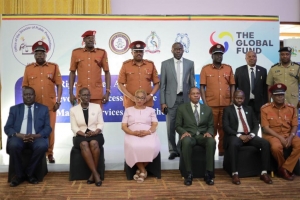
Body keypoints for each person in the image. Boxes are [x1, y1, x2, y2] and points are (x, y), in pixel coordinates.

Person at [22, 41, 62, 163]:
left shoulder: (53, 67)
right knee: (35, 129)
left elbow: (59, 85)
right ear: (34, 55)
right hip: (35, 106)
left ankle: (50, 153)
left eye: (42, 53)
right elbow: (24, 86)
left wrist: (58, 101)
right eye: (37, 53)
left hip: (50, 105)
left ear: (45, 55)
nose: (40, 55)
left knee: (50, 130)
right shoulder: (28, 69)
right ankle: (38, 153)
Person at [4, 87, 52, 187]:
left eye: (30, 94)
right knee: (13, 144)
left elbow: (48, 128)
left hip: (36, 137)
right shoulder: (14, 109)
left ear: (35, 96)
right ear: (22, 96)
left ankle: (29, 173)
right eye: (26, 94)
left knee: (42, 145)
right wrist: (18, 135)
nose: (28, 96)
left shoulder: (43, 109)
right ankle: (19, 175)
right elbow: (7, 127)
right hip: (19, 137)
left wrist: (36, 136)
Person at [222, 90, 272, 185]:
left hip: (249, 135)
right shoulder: (228, 110)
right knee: (233, 144)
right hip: (235, 135)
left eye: (241, 98)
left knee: (265, 143)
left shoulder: (249, 108)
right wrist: (239, 135)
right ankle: (235, 173)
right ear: (233, 98)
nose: (239, 100)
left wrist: (252, 134)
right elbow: (226, 126)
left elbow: (256, 123)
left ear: (244, 99)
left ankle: (264, 172)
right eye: (237, 98)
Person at [160, 42, 195, 160]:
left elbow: (192, 83)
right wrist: (163, 102)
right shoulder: (165, 64)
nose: (178, 51)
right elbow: (163, 85)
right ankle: (172, 150)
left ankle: (181, 148)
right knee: (171, 126)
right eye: (176, 49)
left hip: (185, 99)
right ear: (172, 50)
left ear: (183, 50)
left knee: (184, 125)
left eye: (180, 49)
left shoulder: (190, 63)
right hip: (171, 100)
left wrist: (192, 99)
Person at [200, 44, 235, 156]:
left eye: (221, 54)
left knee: (224, 129)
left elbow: (232, 85)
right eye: (217, 55)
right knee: (211, 128)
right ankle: (210, 150)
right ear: (212, 56)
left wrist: (232, 101)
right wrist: (205, 103)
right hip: (211, 105)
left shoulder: (228, 68)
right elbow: (202, 87)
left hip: (226, 104)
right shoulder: (205, 69)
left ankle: (222, 150)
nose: (219, 56)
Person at [175, 87, 216, 186]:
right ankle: (188, 174)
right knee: (186, 141)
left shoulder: (207, 109)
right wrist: (183, 132)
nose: (196, 95)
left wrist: (209, 133)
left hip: (202, 136)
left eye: (198, 93)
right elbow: (177, 125)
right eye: (193, 93)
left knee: (211, 141)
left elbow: (211, 126)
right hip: (189, 135)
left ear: (200, 95)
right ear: (189, 96)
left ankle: (208, 173)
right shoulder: (182, 108)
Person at [261, 83, 300, 181]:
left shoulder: (291, 108)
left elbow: (295, 125)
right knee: (276, 147)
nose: (280, 97)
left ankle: (284, 169)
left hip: (288, 134)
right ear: (272, 96)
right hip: (271, 135)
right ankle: (285, 169)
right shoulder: (265, 108)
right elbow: (266, 128)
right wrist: (280, 138)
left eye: (282, 95)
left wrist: (290, 137)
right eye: (277, 95)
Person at [121, 89, 160, 183]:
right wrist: (132, 133)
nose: (140, 100)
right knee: (134, 147)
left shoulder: (151, 110)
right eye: (138, 97)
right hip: (132, 133)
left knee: (151, 146)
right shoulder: (128, 110)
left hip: (148, 133)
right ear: (134, 98)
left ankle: (140, 170)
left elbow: (154, 124)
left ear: (145, 99)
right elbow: (123, 126)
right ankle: (143, 171)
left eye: (142, 98)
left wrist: (148, 132)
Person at [70, 87, 104, 187]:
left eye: (88, 95)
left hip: (96, 134)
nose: (86, 97)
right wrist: (84, 134)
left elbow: (100, 123)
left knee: (94, 143)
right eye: (84, 95)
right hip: (80, 135)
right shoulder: (73, 110)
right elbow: (74, 127)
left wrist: (96, 132)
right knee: (84, 144)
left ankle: (93, 175)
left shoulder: (97, 107)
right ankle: (95, 174)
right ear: (79, 96)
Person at [69, 30, 111, 107]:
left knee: (96, 118)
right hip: (81, 94)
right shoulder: (76, 53)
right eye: (88, 38)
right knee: (81, 118)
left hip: (96, 94)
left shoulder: (101, 53)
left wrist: (107, 92)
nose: (91, 40)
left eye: (93, 38)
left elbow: (107, 72)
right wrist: (71, 93)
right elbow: (72, 72)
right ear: (84, 40)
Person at [118, 41, 160, 108]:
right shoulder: (126, 65)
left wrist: (150, 96)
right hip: (130, 103)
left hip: (147, 102)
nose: (138, 53)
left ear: (143, 52)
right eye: (136, 51)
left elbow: (157, 84)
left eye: (140, 51)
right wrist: (131, 97)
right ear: (132, 53)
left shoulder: (150, 65)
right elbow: (120, 84)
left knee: (147, 119)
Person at [234, 51, 268, 122]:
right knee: (245, 123)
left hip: (259, 104)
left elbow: (265, 89)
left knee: (259, 124)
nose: (251, 58)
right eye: (249, 57)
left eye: (253, 56)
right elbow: (234, 87)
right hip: (244, 103)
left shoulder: (263, 70)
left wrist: (266, 103)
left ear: (256, 58)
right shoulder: (239, 70)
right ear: (246, 58)